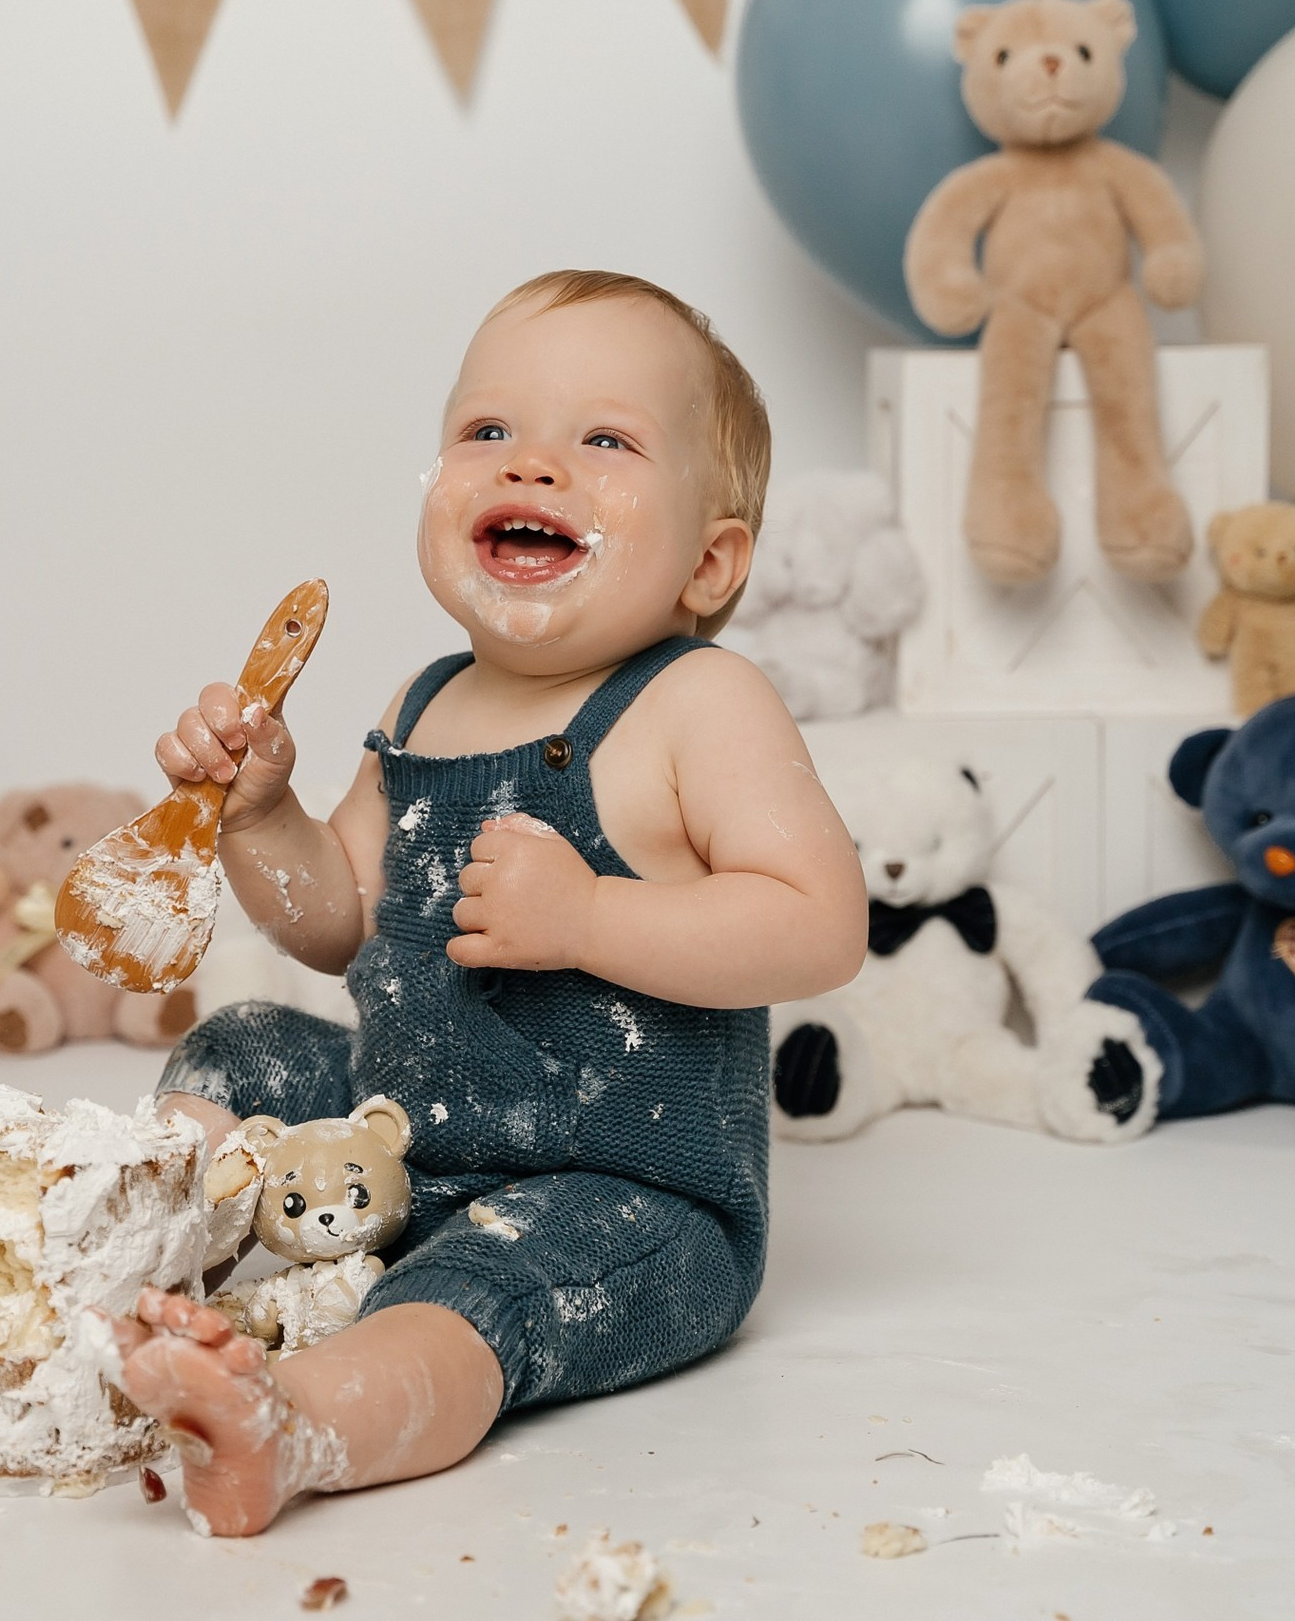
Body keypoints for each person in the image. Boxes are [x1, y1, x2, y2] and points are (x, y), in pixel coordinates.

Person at [105, 270, 868, 1536]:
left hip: (618, 1188)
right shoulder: (423, 699)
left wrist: (589, 923)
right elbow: (337, 920)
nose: (536, 465)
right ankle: (136, 1261)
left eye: (605, 440)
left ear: (709, 559)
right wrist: (260, 821)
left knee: (476, 1294)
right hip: (403, 1140)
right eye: (488, 432)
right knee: (241, 1045)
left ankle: (299, 1427)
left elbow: (820, 925)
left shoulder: (696, 705)